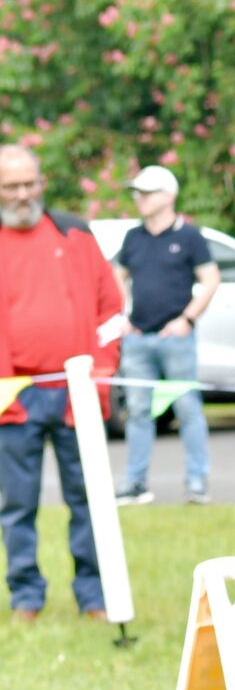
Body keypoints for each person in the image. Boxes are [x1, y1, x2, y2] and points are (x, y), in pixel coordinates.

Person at [1, 143, 126, 623]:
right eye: (11, 186)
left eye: (29, 183)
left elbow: (110, 312)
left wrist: (101, 373)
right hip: (14, 396)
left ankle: (94, 596)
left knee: (88, 499)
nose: (22, 194)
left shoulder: (75, 233)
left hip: (78, 393)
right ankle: (25, 597)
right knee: (16, 505)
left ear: (42, 183)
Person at [112, 163, 219, 506]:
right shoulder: (133, 237)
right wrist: (123, 317)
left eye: (146, 193)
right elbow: (116, 277)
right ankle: (135, 484)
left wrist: (187, 319)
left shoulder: (189, 236)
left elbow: (210, 280)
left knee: (188, 409)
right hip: (138, 338)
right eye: (137, 193)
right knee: (138, 412)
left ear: (168, 195)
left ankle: (197, 482)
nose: (139, 198)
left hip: (176, 338)